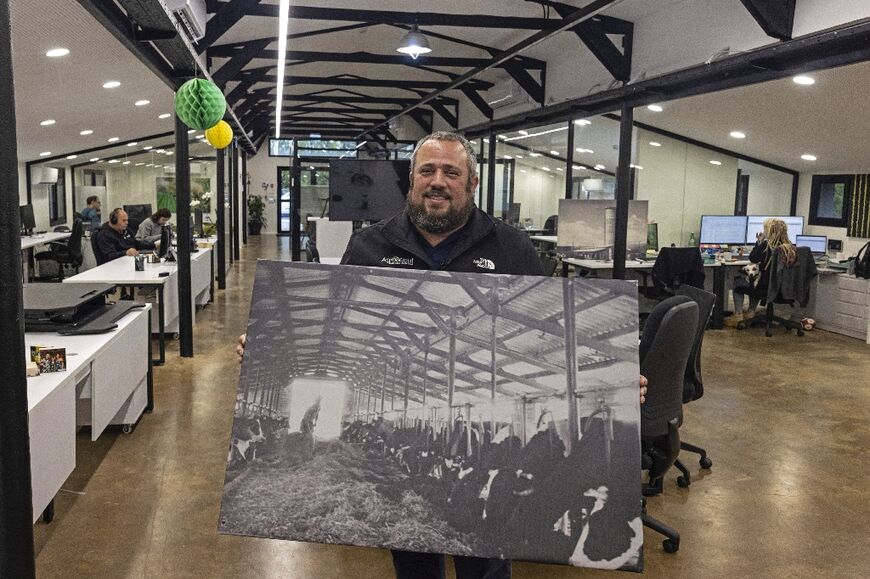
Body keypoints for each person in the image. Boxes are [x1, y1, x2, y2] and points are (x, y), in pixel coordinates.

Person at [236, 132, 647, 579]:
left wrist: (624, 377)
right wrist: (254, 350)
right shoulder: (369, 247)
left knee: (488, 563)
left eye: (451, 172)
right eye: (427, 171)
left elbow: (566, 332)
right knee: (412, 559)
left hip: (491, 533)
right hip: (413, 528)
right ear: (410, 182)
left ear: (471, 184)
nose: (437, 181)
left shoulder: (511, 248)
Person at [731, 217, 797, 321]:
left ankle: (738, 314)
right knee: (757, 280)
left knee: (738, 280)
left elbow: (753, 258)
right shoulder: (790, 248)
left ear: (769, 231)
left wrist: (759, 242)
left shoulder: (767, 246)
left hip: (767, 287)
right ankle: (751, 312)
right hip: (783, 289)